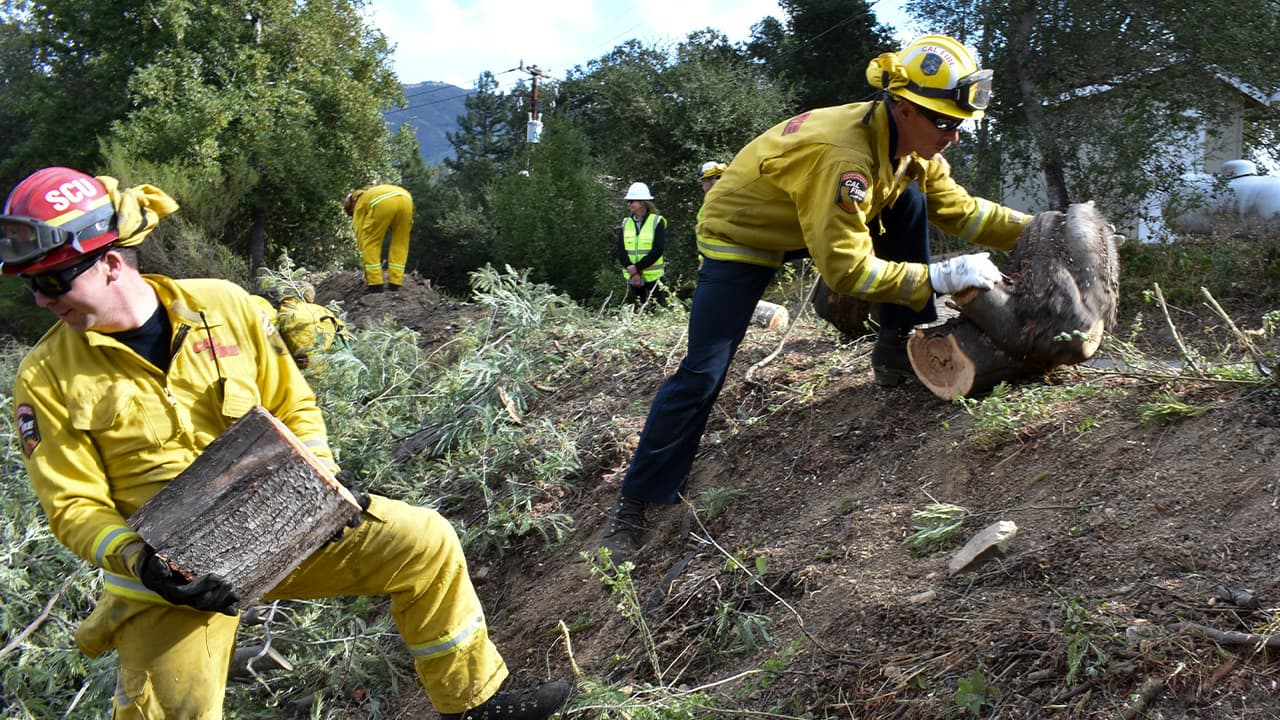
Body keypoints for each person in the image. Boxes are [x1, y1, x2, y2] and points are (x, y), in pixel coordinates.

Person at [1, 167, 570, 720]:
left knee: (423, 541)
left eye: (52, 282)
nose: (42, 301)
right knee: (175, 711)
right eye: (31, 285)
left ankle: (475, 705)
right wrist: (142, 564)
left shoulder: (225, 307)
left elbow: (292, 404)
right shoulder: (46, 376)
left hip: (283, 523)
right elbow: (73, 505)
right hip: (174, 583)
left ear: (110, 261)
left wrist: (320, 476)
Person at [600, 34, 1032, 561]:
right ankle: (635, 502)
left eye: (959, 123)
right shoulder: (843, 158)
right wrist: (941, 276)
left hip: (807, 219)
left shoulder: (909, 145)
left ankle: (896, 346)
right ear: (901, 106)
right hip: (742, 237)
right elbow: (849, 271)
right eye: (943, 122)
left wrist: (1041, 231)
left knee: (912, 199)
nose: (955, 135)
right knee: (703, 371)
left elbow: (963, 212)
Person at [343, 183, 414, 294]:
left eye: (351, 212)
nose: (353, 213)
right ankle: (395, 283)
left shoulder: (359, 203)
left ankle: (375, 284)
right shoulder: (373, 192)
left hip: (382, 202)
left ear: (352, 204)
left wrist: (365, 264)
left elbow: (361, 237)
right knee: (401, 242)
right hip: (406, 198)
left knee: (371, 243)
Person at [614, 182, 668, 308]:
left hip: (654, 277)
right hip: (634, 279)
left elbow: (658, 249)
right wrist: (632, 271)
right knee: (638, 311)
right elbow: (621, 249)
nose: (629, 204)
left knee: (660, 310)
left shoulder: (657, 221)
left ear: (642, 203)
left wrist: (637, 268)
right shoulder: (626, 223)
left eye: (632, 201)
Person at [274, 280, 349, 370]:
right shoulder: (323, 311)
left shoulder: (283, 310)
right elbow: (343, 341)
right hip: (325, 372)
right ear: (311, 296)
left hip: (297, 373)